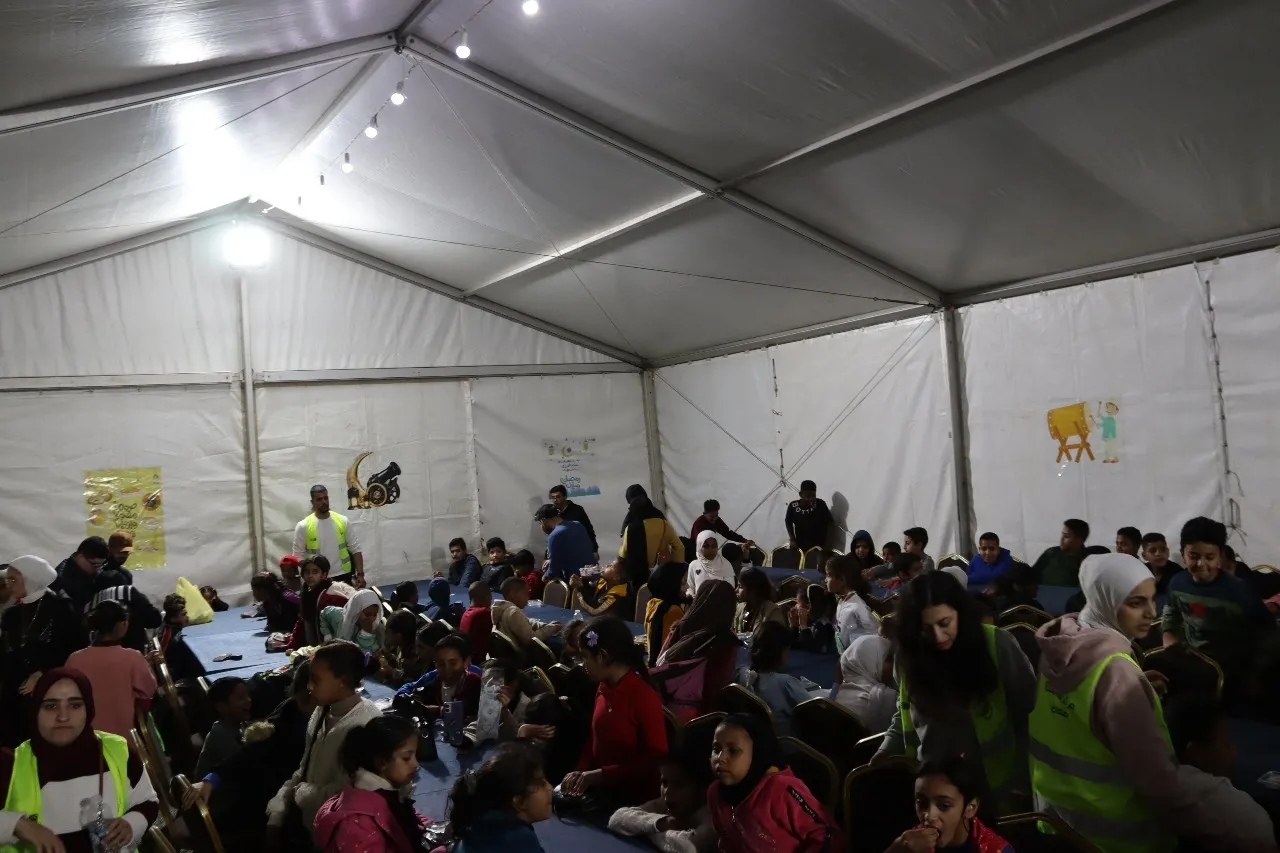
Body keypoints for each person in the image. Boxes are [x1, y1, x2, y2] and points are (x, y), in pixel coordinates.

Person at [1031, 551, 1241, 853]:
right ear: (1106, 601)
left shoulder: (1059, 650)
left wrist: (1128, 689)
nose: (1151, 613)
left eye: (1152, 599)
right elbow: (1158, 783)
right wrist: (1219, 834)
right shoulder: (1117, 675)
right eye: (1135, 603)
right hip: (1117, 838)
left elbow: (1079, 719)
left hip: (1058, 825)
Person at [873, 571, 1036, 808]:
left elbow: (1029, 715)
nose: (938, 636)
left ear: (961, 613)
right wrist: (888, 747)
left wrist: (1022, 782)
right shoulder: (908, 657)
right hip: (933, 788)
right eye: (925, 628)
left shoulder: (997, 645)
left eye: (944, 623)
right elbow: (905, 712)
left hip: (993, 786)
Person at [0, 669, 159, 853]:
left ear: (88, 710)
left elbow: (147, 801)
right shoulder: (10, 763)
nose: (63, 717)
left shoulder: (117, 750)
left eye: (75, 705)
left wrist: (131, 824)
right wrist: (17, 825)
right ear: (36, 711)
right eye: (51, 706)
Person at [267, 641, 381, 840]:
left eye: (316, 679)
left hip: (343, 836)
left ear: (341, 681)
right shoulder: (322, 710)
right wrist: (278, 811)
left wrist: (300, 793)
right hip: (314, 825)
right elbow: (304, 767)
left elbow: (351, 792)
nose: (309, 686)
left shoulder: (365, 724)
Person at [562, 616, 668, 806]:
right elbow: (595, 736)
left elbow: (654, 759)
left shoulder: (642, 696)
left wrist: (601, 775)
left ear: (602, 656)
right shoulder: (603, 687)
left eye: (585, 657)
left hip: (632, 799)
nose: (583, 665)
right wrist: (581, 769)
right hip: (602, 790)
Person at [1163, 516, 1274, 690]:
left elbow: (1267, 631)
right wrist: (1168, 634)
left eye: (1210, 557)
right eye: (1193, 556)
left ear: (1220, 557)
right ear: (1183, 553)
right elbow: (1171, 612)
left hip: (1233, 669)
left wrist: (1257, 670)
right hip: (1194, 660)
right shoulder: (1177, 583)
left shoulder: (1239, 590)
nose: (1201, 564)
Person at [707, 713, 842, 852]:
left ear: (757, 752)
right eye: (716, 749)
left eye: (733, 751)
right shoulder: (715, 793)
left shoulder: (782, 789)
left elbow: (828, 835)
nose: (720, 758)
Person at [1165, 695, 1275, 851]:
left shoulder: (1146, 782)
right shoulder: (1244, 817)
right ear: (1196, 753)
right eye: (1227, 744)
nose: (1234, 753)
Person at [0, 555, 86, 745]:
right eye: (8, 580)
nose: (8, 585)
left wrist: (44, 672)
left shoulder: (61, 608)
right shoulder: (12, 614)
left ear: (31, 580)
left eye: (13, 580)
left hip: (49, 690)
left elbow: (73, 648)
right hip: (13, 690)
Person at [312, 714, 428, 853]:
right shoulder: (359, 825)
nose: (416, 764)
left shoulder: (386, 794)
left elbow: (405, 821)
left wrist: (429, 827)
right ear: (381, 762)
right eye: (406, 757)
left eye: (415, 755)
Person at [66, 600, 157, 742]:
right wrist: (147, 665)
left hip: (82, 738)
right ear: (121, 625)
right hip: (121, 740)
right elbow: (148, 690)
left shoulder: (74, 659)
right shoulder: (132, 658)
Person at [887, 756, 1013, 853]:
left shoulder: (995, 850)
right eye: (921, 803)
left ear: (970, 808)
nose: (929, 815)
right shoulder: (909, 844)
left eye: (944, 805)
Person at [656, 580, 740, 720]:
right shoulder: (725, 641)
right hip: (699, 718)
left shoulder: (679, 627)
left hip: (662, 708)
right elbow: (716, 689)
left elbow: (661, 662)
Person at [448, 742, 553, 853]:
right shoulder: (517, 839)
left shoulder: (480, 819)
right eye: (541, 784)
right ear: (518, 801)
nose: (550, 787)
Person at [607, 748, 715, 853]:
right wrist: (661, 823)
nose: (667, 791)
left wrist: (644, 830)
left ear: (701, 789)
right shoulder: (665, 803)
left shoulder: (713, 817)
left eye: (678, 784)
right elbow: (616, 819)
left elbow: (688, 847)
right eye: (664, 782)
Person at [735, 621, 811, 736]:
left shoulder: (741, 675)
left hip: (753, 741)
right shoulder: (786, 684)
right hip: (786, 744)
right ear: (781, 651)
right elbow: (817, 713)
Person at [394, 634, 483, 720]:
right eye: (440, 664)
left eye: (453, 663)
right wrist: (411, 700)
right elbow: (419, 693)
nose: (447, 669)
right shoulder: (437, 681)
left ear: (466, 662)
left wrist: (438, 710)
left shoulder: (474, 683)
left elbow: (467, 710)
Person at [293, 484, 364, 587]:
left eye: (325, 498)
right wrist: (313, 572)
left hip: (343, 576)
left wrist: (360, 574)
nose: (324, 502)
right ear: (312, 502)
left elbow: (356, 549)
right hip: (319, 580)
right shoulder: (303, 526)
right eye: (319, 499)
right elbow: (297, 556)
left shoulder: (342, 521)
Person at [290, 554, 358, 649]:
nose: (310, 576)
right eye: (307, 572)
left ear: (324, 575)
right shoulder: (307, 594)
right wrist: (293, 646)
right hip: (316, 647)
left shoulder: (332, 594)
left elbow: (342, 627)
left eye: (315, 572)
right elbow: (302, 621)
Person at [835, 634, 896, 733]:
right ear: (870, 662)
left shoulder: (844, 692)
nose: (894, 665)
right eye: (888, 659)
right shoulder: (883, 697)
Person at [619, 494, 683, 590]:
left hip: (638, 576)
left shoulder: (630, 529)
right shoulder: (664, 524)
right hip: (661, 571)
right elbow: (679, 547)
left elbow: (623, 554)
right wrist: (678, 567)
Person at [195, 676, 252, 778]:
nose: (248, 700)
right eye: (241, 698)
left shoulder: (241, 725)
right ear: (221, 706)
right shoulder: (220, 733)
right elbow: (244, 766)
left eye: (247, 696)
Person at [86, 580, 163, 654]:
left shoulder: (89, 605)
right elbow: (155, 620)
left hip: (96, 655)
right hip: (133, 652)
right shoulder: (129, 593)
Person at [494, 577, 562, 657]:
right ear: (513, 594)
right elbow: (532, 639)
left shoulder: (502, 608)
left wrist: (543, 625)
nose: (528, 597)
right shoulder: (514, 612)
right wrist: (552, 628)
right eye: (525, 593)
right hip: (519, 658)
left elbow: (526, 621)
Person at [824, 555, 877, 652]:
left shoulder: (858, 607)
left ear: (842, 580)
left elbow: (874, 637)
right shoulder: (842, 599)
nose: (825, 580)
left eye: (828, 575)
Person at [537, 503, 598, 584]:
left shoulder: (555, 535)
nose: (541, 526)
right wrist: (551, 561)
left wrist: (546, 576)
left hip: (577, 580)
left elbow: (554, 568)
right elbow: (576, 551)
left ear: (544, 520)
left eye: (540, 523)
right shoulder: (578, 525)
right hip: (594, 574)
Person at [50, 536, 110, 615]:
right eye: (94, 564)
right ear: (81, 556)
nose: (98, 569)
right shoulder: (61, 579)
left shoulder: (94, 573)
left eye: (102, 564)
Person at [643, 562, 687, 666]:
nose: (688, 585)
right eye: (684, 581)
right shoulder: (673, 610)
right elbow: (670, 647)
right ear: (673, 583)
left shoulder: (654, 602)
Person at [320, 588, 385, 653]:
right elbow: (324, 613)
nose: (372, 619)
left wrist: (366, 633)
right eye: (367, 614)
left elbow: (364, 651)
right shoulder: (338, 616)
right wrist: (327, 634)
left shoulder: (374, 627)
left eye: (375, 614)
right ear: (356, 611)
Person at [159, 593, 204, 680]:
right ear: (173, 618)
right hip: (177, 675)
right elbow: (161, 659)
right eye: (183, 615)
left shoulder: (173, 626)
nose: (187, 617)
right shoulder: (167, 634)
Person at [1033, 519, 1089, 587]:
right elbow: (1031, 574)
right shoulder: (1051, 553)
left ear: (1080, 540)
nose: (1061, 539)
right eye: (1062, 534)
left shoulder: (1087, 561)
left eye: (1066, 536)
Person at [549, 484, 599, 558]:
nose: (555, 500)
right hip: (559, 552)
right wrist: (547, 556)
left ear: (565, 497)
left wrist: (594, 550)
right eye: (553, 498)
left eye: (558, 497)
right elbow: (551, 536)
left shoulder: (577, 510)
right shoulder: (552, 512)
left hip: (578, 551)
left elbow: (589, 531)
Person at [733, 567, 786, 634]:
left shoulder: (772, 612)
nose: (736, 590)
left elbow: (778, 637)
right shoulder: (740, 608)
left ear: (753, 590)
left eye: (740, 586)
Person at [785, 480, 833, 552]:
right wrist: (792, 539)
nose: (811, 499)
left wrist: (828, 543)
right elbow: (788, 521)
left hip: (818, 547)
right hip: (800, 546)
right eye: (808, 496)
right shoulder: (793, 506)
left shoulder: (820, 504)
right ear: (800, 494)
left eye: (814, 495)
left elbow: (830, 523)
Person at [377, 610, 422, 685]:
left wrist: (391, 672)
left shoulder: (415, 653)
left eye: (387, 631)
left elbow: (410, 680)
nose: (385, 634)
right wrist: (389, 656)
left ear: (398, 636)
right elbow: (399, 665)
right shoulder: (402, 646)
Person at [686, 530, 735, 597]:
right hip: (699, 602)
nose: (710, 549)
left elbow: (730, 589)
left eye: (714, 546)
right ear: (699, 547)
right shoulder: (694, 565)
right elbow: (690, 587)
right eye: (706, 546)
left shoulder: (725, 564)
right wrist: (691, 596)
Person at [790, 584, 836, 653]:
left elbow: (812, 649)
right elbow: (791, 645)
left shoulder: (825, 626)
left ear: (808, 608)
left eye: (798, 603)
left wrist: (803, 626)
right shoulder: (809, 622)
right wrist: (794, 626)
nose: (796, 606)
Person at [460, 583, 494, 664]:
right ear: (488, 597)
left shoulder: (466, 614)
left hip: (470, 659)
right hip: (482, 663)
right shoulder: (484, 613)